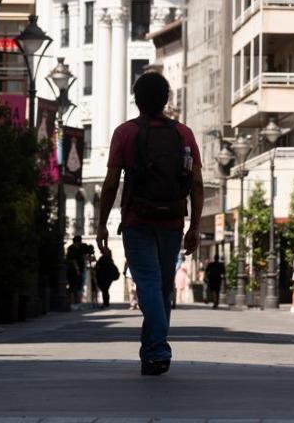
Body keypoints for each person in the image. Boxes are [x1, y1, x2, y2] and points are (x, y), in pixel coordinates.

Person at [97, 71, 203, 376]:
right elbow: (196, 183)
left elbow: (110, 184)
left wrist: (103, 224)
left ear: (136, 100)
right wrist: (194, 226)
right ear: (166, 99)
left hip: (137, 220)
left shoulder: (125, 133)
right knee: (162, 287)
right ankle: (152, 353)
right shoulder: (184, 134)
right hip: (171, 220)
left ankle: (157, 350)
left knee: (148, 285)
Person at [65, 235, 95, 306]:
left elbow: (88, 253)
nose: (79, 244)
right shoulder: (71, 248)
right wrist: (77, 269)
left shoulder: (82, 247)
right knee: (73, 286)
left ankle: (77, 301)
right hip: (72, 270)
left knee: (79, 286)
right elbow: (72, 260)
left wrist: (90, 255)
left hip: (80, 269)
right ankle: (73, 302)